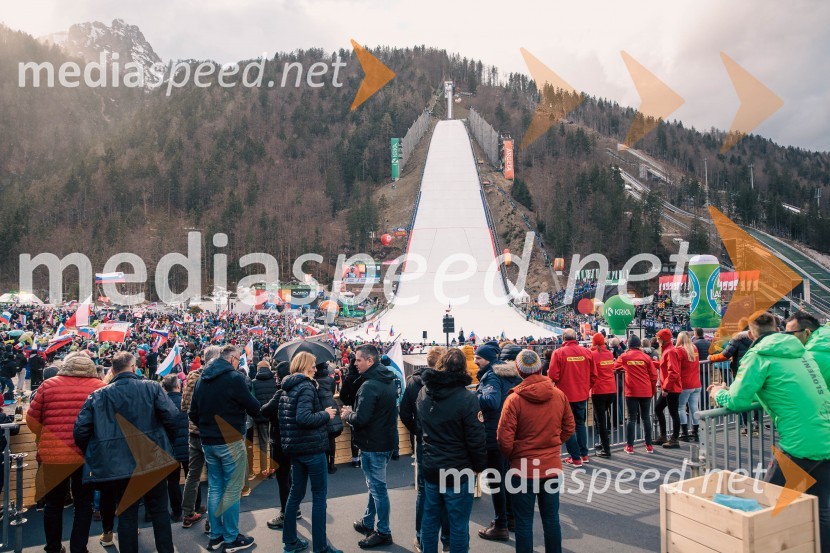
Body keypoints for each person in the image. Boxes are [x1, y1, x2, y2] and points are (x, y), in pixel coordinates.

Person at [710, 311, 830, 552]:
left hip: (799, 444)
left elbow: (737, 400)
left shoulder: (758, 356)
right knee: (823, 509)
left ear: (751, 333)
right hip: (824, 435)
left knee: (765, 506)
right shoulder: (801, 352)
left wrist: (717, 393)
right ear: (778, 328)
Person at [73, 351, 179, 553]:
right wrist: (164, 443)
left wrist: (102, 451)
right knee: (159, 512)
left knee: (127, 516)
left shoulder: (99, 395)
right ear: (133, 368)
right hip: (152, 460)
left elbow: (81, 431)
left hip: (119, 465)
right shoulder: (151, 388)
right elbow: (172, 417)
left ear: (112, 371)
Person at [498, 349, 575, 553]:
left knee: (523, 521)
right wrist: (553, 444)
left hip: (523, 469)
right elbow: (569, 427)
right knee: (551, 519)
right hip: (551, 466)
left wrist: (515, 454)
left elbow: (503, 439)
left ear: (519, 370)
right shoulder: (559, 395)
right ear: (540, 367)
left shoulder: (514, 400)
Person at [27, 351, 104, 553]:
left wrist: (47, 436)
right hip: (85, 456)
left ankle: (53, 547)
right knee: (83, 503)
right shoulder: (100, 387)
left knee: (53, 504)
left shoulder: (48, 385)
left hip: (53, 456)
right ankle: (79, 548)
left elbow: (31, 420)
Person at [188, 345, 260, 552]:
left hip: (208, 442)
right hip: (230, 441)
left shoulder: (202, 379)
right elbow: (254, 407)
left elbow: (193, 413)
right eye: (238, 360)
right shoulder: (234, 378)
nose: (238, 363)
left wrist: (208, 427)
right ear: (232, 359)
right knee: (232, 489)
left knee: (215, 487)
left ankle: (215, 536)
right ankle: (230, 538)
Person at [417, 348, 486, 553]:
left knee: (430, 520)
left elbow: (420, 426)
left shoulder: (424, 392)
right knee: (458, 525)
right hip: (458, 470)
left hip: (432, 466)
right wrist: (479, 466)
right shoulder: (467, 398)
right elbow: (476, 439)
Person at [277, 352, 342, 553]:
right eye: (313, 365)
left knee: (295, 495)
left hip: (296, 450)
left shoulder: (287, 388)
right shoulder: (305, 387)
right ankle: (320, 547)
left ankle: (290, 542)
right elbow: (303, 418)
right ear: (305, 366)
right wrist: (326, 414)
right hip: (312, 449)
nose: (316, 368)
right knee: (319, 497)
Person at [342, 344, 398, 549]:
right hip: (385, 441)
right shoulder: (388, 380)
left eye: (358, 359)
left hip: (373, 444)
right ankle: (368, 521)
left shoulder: (370, 385)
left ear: (370, 361)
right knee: (375, 486)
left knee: (378, 489)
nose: (354, 363)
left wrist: (347, 414)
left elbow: (362, 418)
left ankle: (383, 531)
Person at [399, 346, 450, 553]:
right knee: (447, 491)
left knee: (424, 492)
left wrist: (417, 432)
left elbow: (403, 412)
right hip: (445, 444)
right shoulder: (449, 384)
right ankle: (446, 540)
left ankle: (421, 537)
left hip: (424, 442)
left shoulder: (414, 382)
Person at [475, 340, 521, 540]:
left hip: (494, 433)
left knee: (496, 481)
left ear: (489, 359)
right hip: (509, 433)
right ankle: (510, 518)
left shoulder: (492, 376)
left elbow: (492, 401)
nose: (475, 361)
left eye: (479, 358)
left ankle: (501, 524)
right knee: (507, 478)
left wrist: (470, 398)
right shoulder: (510, 375)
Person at [180, 346, 220, 530]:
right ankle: (211, 521)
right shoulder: (215, 377)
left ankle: (187, 513)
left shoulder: (191, 377)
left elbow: (184, 406)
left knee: (193, 475)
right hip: (210, 433)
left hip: (193, 433)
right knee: (214, 477)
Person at [548, 328, 594, 467]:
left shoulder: (559, 353)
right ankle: (584, 454)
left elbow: (553, 376)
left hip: (564, 396)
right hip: (581, 394)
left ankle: (575, 458)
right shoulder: (586, 352)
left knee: (568, 427)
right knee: (580, 424)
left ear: (563, 338)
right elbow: (594, 375)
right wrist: (586, 388)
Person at [614, 334, 658, 454]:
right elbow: (654, 376)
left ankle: (630, 446)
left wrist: (623, 369)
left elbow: (615, 366)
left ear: (628, 345)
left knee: (632, 418)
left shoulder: (625, 356)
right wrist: (653, 389)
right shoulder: (645, 357)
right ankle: (649, 445)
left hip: (632, 391)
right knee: (646, 417)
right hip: (646, 390)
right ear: (639, 344)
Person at [162, 374, 190, 523]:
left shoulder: (162, 404)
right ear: (178, 386)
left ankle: (177, 511)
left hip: (170, 448)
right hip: (187, 446)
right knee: (191, 477)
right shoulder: (184, 402)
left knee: (172, 481)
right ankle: (193, 508)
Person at [589, 333, 616, 458]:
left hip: (599, 390)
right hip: (611, 390)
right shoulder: (609, 354)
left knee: (600, 421)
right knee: (601, 419)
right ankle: (604, 443)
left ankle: (606, 449)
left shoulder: (593, 354)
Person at [654, 328, 682, 448]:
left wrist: (666, 388)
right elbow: (664, 366)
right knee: (659, 409)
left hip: (671, 388)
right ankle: (665, 436)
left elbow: (673, 372)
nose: (656, 339)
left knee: (672, 413)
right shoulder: (668, 350)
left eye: (658, 338)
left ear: (662, 339)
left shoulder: (669, 351)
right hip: (670, 387)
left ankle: (674, 439)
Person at [314, 361, 344, 474]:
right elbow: (332, 393)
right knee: (331, 438)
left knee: (323, 438)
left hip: (321, 409)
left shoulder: (313, 381)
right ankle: (332, 463)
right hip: (332, 407)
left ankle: (325, 464)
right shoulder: (330, 380)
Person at [252, 359, 277, 479]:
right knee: (273, 443)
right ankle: (272, 470)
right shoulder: (274, 381)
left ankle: (263, 471)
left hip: (261, 417)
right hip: (273, 416)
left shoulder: (254, 383)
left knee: (263, 444)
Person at [675, 332, 701, 442]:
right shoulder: (694, 348)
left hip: (685, 384)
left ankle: (684, 432)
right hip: (696, 383)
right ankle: (696, 432)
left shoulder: (680, 350)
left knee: (680, 408)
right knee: (694, 407)